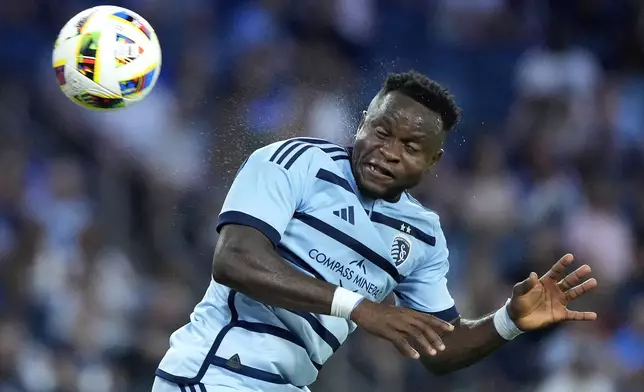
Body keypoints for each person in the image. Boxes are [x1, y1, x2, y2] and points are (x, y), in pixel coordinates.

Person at [152, 71, 598, 392]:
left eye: (410, 147)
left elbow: (438, 348)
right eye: (381, 132)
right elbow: (235, 260)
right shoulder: (296, 162)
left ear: (433, 162)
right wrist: (361, 308)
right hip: (216, 373)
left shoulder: (422, 235)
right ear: (362, 122)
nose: (387, 153)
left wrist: (509, 322)